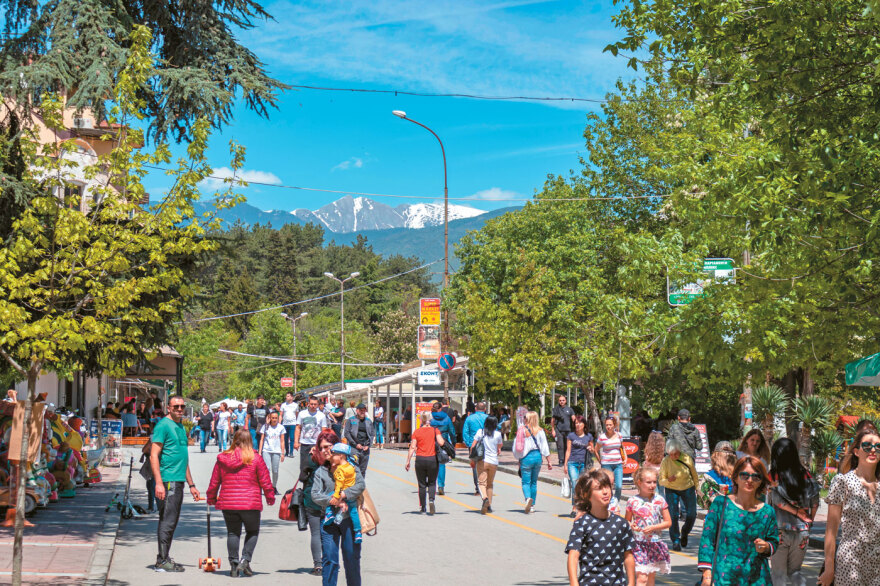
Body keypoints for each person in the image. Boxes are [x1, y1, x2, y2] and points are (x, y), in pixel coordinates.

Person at [698, 456, 779, 586]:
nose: (750, 480)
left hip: (757, 579)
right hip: (724, 579)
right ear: (735, 477)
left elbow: (774, 542)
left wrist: (765, 547)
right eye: (744, 475)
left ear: (761, 481)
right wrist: (707, 576)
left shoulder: (767, 512)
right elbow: (707, 541)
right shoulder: (720, 504)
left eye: (756, 477)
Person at [206, 428, 275, 577]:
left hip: (229, 503)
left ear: (234, 440)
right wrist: (270, 497)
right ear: (250, 441)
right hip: (250, 504)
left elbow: (214, 481)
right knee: (252, 531)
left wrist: (211, 497)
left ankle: (234, 564)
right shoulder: (255, 458)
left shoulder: (223, 458)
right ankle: (245, 559)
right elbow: (265, 480)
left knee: (232, 532)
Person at [818, 428, 880, 586]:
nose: (873, 450)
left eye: (878, 446)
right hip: (851, 560)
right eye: (867, 446)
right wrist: (829, 568)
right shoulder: (842, 482)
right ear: (857, 451)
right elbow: (831, 530)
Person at [150, 395, 200, 572]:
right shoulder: (163, 425)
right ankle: (162, 560)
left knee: (171, 520)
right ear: (168, 408)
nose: (180, 409)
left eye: (182, 407)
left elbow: (183, 459)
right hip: (167, 479)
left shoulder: (179, 426)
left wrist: (192, 485)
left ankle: (163, 557)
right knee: (168, 520)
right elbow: (153, 454)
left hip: (178, 480)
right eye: (176, 406)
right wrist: (158, 483)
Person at [312, 432, 366, 586]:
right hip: (328, 522)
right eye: (321, 448)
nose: (325, 450)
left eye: (328, 447)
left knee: (352, 559)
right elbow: (315, 495)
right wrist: (333, 501)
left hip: (348, 519)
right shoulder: (320, 472)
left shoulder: (351, 467)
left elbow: (360, 485)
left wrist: (344, 494)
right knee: (330, 560)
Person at [566, 468, 635, 586]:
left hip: (617, 583)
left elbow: (628, 556)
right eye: (599, 488)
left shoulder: (621, 524)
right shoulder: (582, 523)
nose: (605, 492)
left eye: (607, 487)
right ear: (587, 495)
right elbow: (573, 555)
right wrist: (574, 583)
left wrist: (632, 583)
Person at [767, 438, 819, 586]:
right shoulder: (806, 475)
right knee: (795, 571)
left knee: (778, 575)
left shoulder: (774, 475)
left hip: (780, 531)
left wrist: (796, 512)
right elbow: (815, 502)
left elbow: (777, 501)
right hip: (802, 531)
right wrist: (809, 520)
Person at [299, 429, 339, 576]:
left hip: (312, 500)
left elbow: (302, 477)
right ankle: (329, 562)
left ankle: (318, 565)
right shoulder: (339, 458)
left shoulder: (312, 458)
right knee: (328, 532)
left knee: (316, 533)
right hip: (332, 500)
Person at [625, 467, 672, 584]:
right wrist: (632, 526)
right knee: (642, 578)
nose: (652, 485)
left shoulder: (660, 500)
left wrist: (653, 527)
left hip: (654, 543)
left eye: (654, 482)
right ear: (639, 483)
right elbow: (627, 521)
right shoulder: (632, 501)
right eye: (648, 482)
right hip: (638, 544)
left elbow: (668, 522)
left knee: (651, 577)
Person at [659, 438, 699, 551]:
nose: (673, 457)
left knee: (692, 514)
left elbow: (694, 475)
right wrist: (668, 481)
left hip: (688, 487)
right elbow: (661, 480)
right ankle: (675, 540)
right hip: (672, 489)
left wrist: (697, 488)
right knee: (673, 515)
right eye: (670, 454)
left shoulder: (686, 458)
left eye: (675, 454)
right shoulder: (666, 461)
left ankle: (685, 532)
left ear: (679, 451)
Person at [405, 412, 445, 514]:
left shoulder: (417, 432)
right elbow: (441, 442)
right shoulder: (435, 430)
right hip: (432, 459)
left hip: (420, 460)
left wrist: (408, 461)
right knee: (432, 483)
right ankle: (431, 500)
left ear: (421, 420)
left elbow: (413, 447)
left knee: (422, 484)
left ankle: (423, 507)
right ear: (430, 420)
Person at [513, 410, 552, 514]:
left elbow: (517, 447)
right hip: (537, 457)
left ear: (528, 419)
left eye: (525, 417)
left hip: (526, 457)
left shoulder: (522, 430)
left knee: (526, 482)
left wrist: (518, 458)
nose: (524, 419)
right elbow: (545, 447)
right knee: (534, 482)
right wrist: (549, 461)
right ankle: (532, 505)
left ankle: (527, 500)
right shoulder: (540, 431)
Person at [323, 443, 363, 544]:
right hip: (352, 496)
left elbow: (339, 484)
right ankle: (358, 532)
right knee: (354, 513)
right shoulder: (351, 465)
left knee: (329, 496)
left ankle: (329, 514)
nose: (332, 456)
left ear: (341, 455)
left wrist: (337, 496)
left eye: (334, 454)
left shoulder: (340, 470)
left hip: (342, 492)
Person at [472, 415, 503, 515]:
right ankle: (489, 505)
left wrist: (472, 460)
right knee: (490, 484)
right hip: (493, 462)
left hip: (482, 461)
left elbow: (473, 446)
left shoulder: (480, 432)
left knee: (481, 483)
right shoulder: (498, 434)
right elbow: (499, 447)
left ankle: (485, 499)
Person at [563, 414, 594, 516]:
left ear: (584, 424)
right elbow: (568, 450)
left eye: (580, 423)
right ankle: (574, 508)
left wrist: (591, 449)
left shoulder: (588, 436)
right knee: (575, 484)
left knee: (582, 486)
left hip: (584, 464)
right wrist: (565, 464)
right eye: (576, 423)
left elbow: (593, 450)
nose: (578, 425)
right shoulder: (571, 436)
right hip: (573, 462)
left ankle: (581, 507)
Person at [698, 441, 736, 510]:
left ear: (715, 457)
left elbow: (702, 501)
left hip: (715, 515)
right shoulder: (739, 476)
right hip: (734, 515)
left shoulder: (707, 477)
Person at [595, 415, 626, 500]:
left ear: (614, 425)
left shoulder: (619, 435)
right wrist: (600, 461)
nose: (608, 427)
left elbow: (622, 447)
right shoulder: (602, 437)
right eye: (607, 425)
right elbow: (596, 449)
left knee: (619, 486)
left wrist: (625, 458)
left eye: (610, 425)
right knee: (608, 486)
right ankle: (610, 503)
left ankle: (616, 503)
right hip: (606, 464)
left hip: (618, 464)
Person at [295, 395, 329, 472]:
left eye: (315, 404)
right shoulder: (302, 414)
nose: (313, 406)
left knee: (316, 467)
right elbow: (298, 428)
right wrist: (296, 442)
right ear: (308, 404)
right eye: (311, 404)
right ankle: (305, 483)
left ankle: (315, 483)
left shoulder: (321, 415)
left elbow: (324, 430)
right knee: (304, 467)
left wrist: (323, 444)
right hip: (305, 444)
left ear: (318, 405)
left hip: (316, 444)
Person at [429, 401, 456, 495]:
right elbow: (452, 432)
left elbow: (424, 428)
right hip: (442, 442)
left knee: (430, 464)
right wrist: (454, 443)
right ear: (441, 408)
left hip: (431, 442)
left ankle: (431, 484)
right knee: (441, 463)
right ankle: (441, 486)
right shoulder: (447, 418)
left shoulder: (430, 418)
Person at [462, 402, 488, 496]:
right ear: (485, 409)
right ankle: (484, 486)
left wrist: (469, 444)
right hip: (487, 445)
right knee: (486, 465)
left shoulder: (469, 418)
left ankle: (478, 488)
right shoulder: (488, 418)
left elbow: (465, 432)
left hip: (474, 444)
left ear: (476, 409)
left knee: (475, 466)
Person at [257, 411, 285, 493]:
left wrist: (282, 453)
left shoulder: (281, 427)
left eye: (276, 418)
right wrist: (259, 451)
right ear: (270, 418)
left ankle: (274, 486)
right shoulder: (265, 427)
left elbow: (282, 441)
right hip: (266, 450)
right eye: (273, 418)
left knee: (275, 470)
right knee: (267, 469)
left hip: (276, 451)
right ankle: (267, 487)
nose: (274, 419)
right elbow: (262, 440)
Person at [343, 403, 374, 478]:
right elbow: (346, 433)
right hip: (354, 448)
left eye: (364, 410)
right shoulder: (351, 420)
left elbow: (372, 434)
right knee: (353, 469)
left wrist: (368, 445)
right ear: (357, 410)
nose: (362, 412)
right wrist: (355, 444)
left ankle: (361, 486)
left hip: (365, 449)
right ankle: (353, 487)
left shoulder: (368, 421)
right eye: (361, 410)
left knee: (363, 470)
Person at [552, 395, 575, 467]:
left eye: (563, 400)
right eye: (560, 400)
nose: (561, 401)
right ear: (558, 401)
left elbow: (573, 418)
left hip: (568, 431)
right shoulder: (556, 409)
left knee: (567, 446)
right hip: (559, 430)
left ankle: (567, 460)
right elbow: (552, 420)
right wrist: (553, 430)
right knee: (560, 446)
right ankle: (561, 460)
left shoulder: (570, 409)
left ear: (565, 401)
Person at [642, 431, 666, 497]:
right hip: (661, 472)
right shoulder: (663, 450)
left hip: (652, 473)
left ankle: (655, 505)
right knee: (661, 491)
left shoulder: (648, 451)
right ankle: (662, 505)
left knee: (655, 491)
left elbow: (646, 463)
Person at [140, 439, 157, 513]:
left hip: (156, 467)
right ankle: (151, 506)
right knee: (150, 487)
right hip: (150, 468)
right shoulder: (152, 440)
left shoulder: (160, 440)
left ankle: (156, 507)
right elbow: (144, 450)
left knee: (153, 487)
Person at [280, 392, 299, 458]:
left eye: (288, 396)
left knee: (292, 438)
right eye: (286, 396)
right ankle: (287, 451)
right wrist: (280, 423)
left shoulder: (295, 405)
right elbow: (281, 415)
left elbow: (297, 415)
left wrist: (297, 423)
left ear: (291, 397)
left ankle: (291, 452)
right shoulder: (283, 405)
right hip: (285, 424)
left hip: (293, 424)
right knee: (285, 439)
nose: (286, 397)